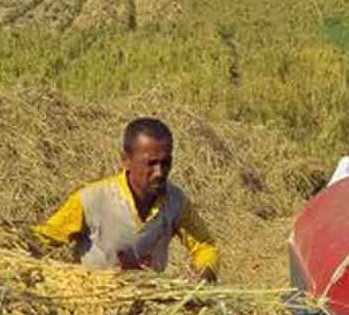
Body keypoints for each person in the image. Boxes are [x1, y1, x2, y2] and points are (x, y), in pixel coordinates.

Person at [33, 117, 219, 281]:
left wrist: (205, 271)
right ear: (126, 160)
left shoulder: (176, 202)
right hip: (94, 307)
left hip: (149, 308)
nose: (159, 172)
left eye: (166, 162)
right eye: (151, 163)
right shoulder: (91, 200)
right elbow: (43, 238)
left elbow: (205, 245)